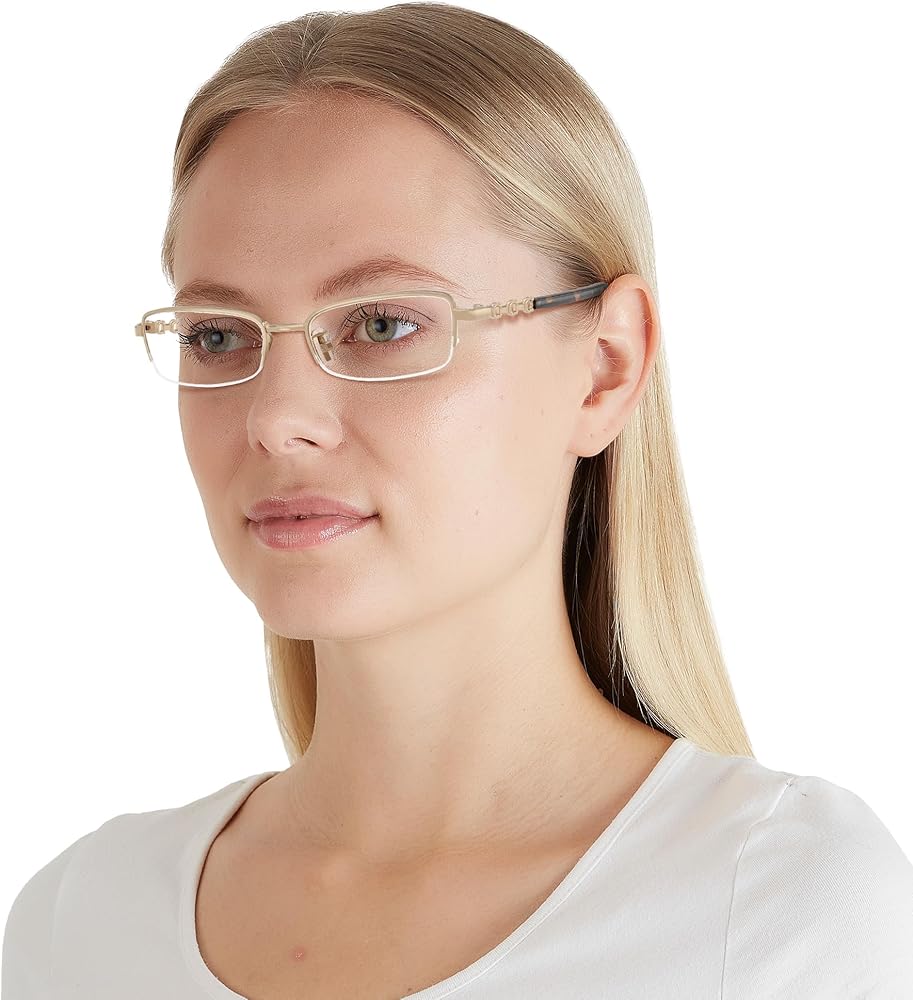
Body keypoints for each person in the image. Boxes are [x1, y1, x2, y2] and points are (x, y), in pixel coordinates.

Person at [3, 5, 912, 998]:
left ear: (605, 366)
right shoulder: (80, 924)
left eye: (382, 323)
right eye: (217, 335)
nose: (276, 419)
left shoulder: (777, 909)